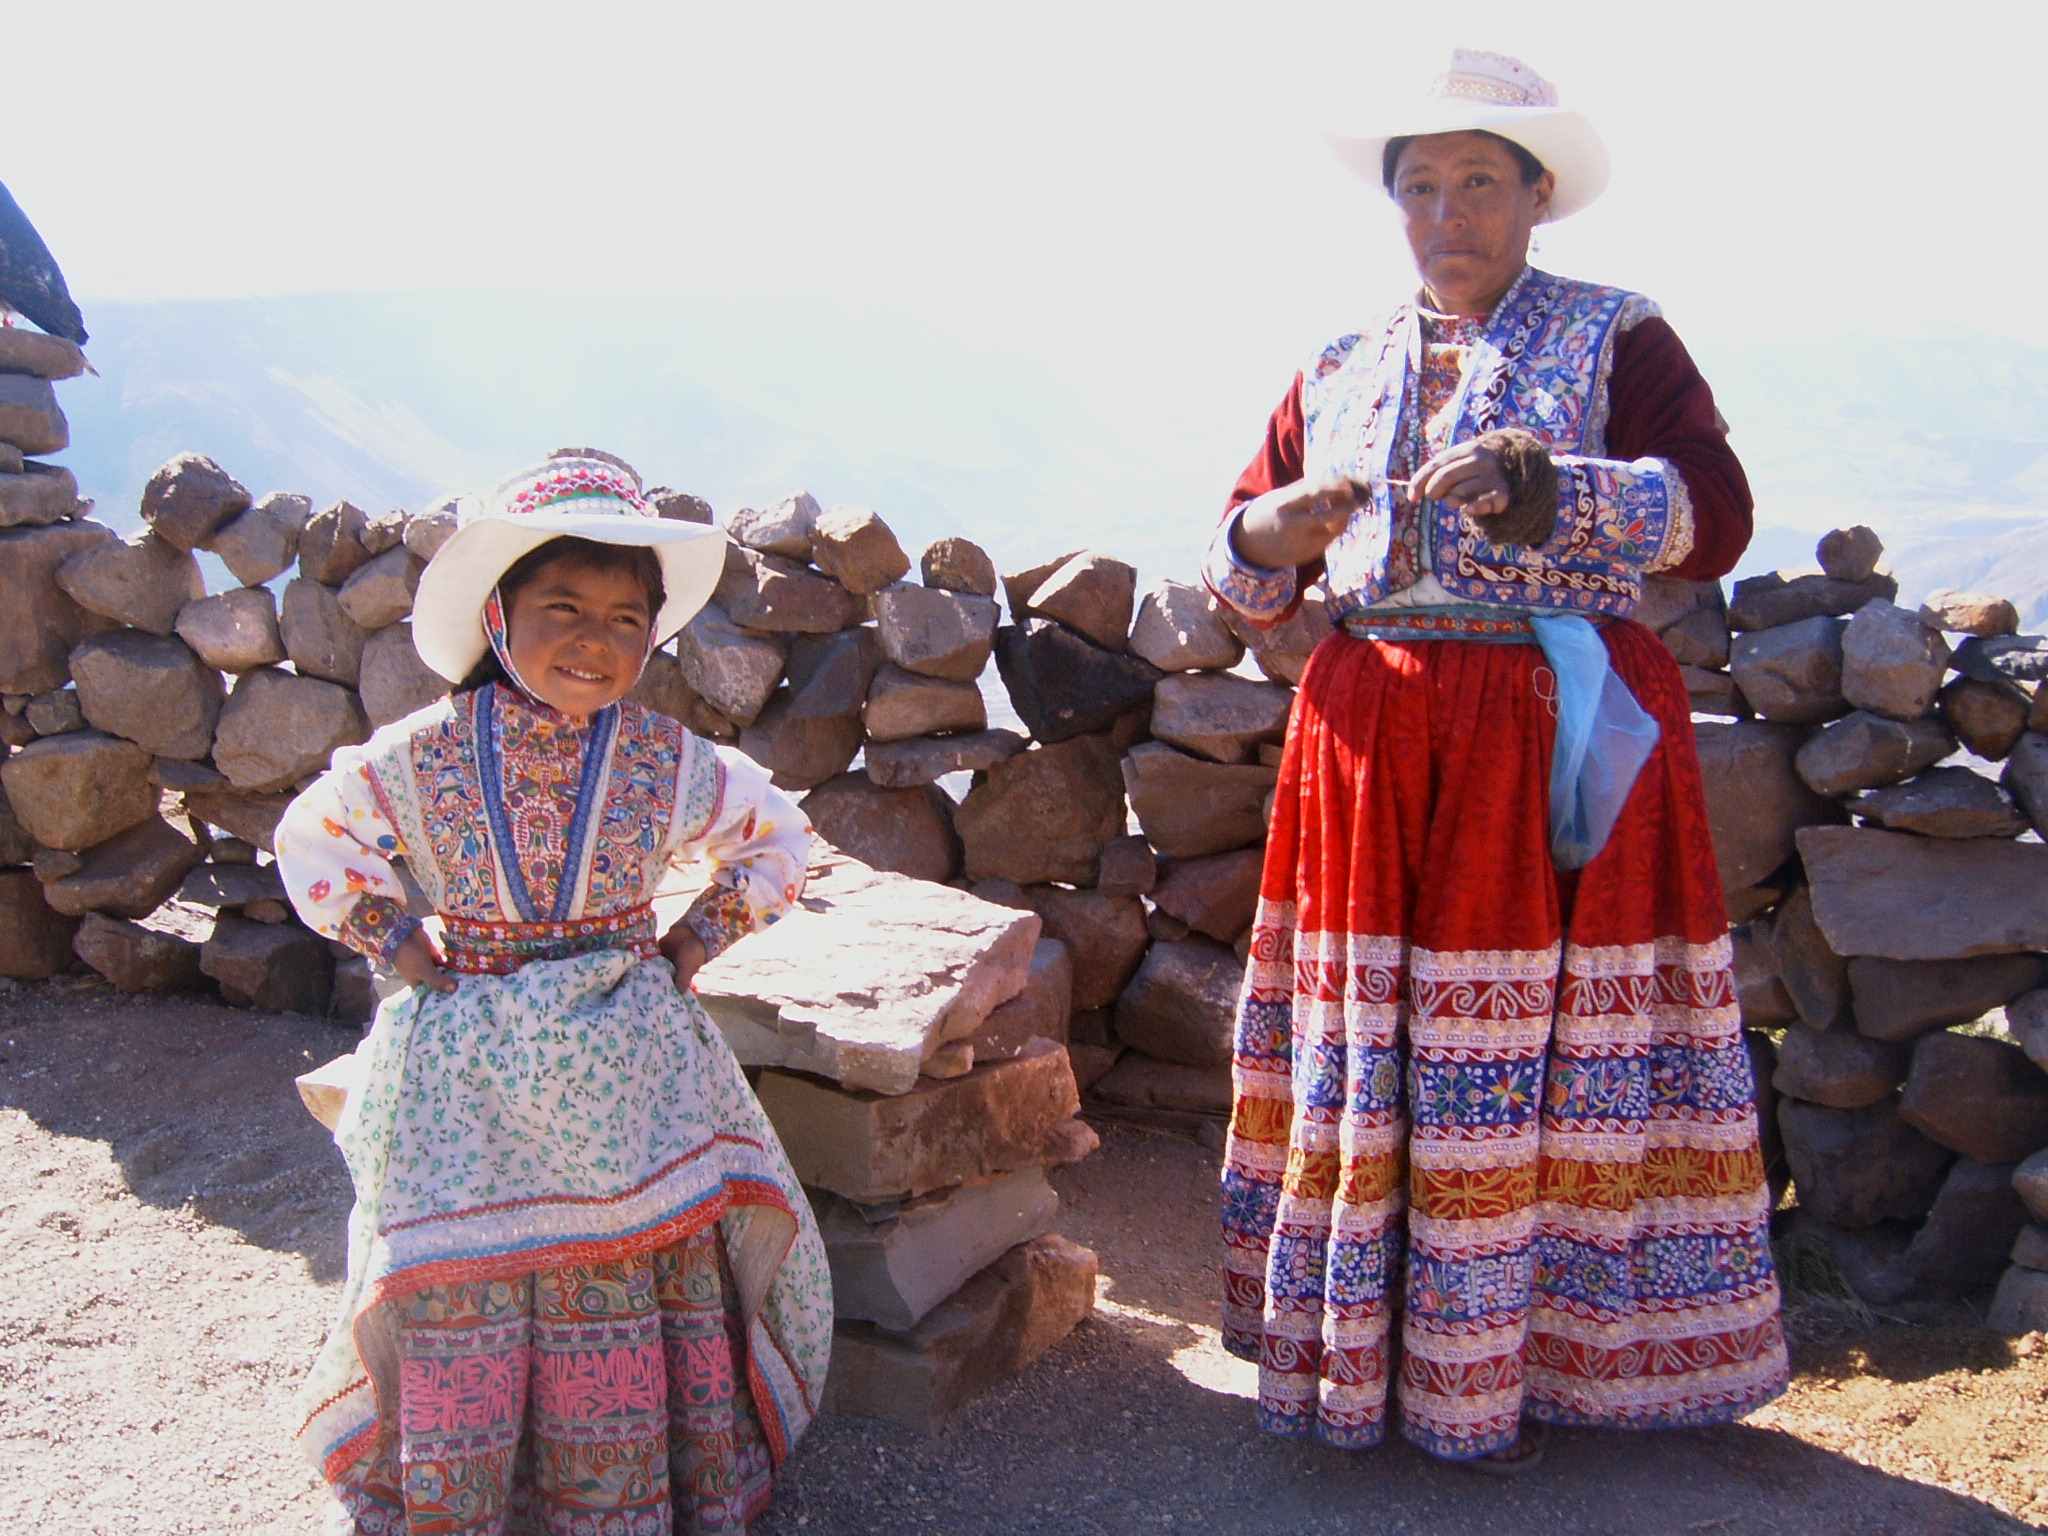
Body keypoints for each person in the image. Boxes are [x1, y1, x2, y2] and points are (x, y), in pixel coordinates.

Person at [1204, 50, 1786, 1474]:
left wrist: (1547, 490)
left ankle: (1517, 1373)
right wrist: (1270, 531)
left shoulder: (1617, 336)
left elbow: (1713, 513)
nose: (1445, 211)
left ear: (1536, 195)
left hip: (1552, 732)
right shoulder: (1338, 363)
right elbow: (1244, 556)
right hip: (1373, 740)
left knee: (1542, 1045)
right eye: (1418, 186)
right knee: (1385, 1048)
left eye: (1476, 181)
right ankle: (1366, 1354)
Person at [276, 454, 832, 1534]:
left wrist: (694, 940)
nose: (595, 640)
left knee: (614, 1255)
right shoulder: (425, 755)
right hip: (497, 1078)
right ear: (498, 616)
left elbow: (778, 839)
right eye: (563, 608)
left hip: (608, 1069)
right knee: (479, 1266)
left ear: (652, 639)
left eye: (626, 619)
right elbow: (314, 837)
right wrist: (396, 938)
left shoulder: (663, 759)